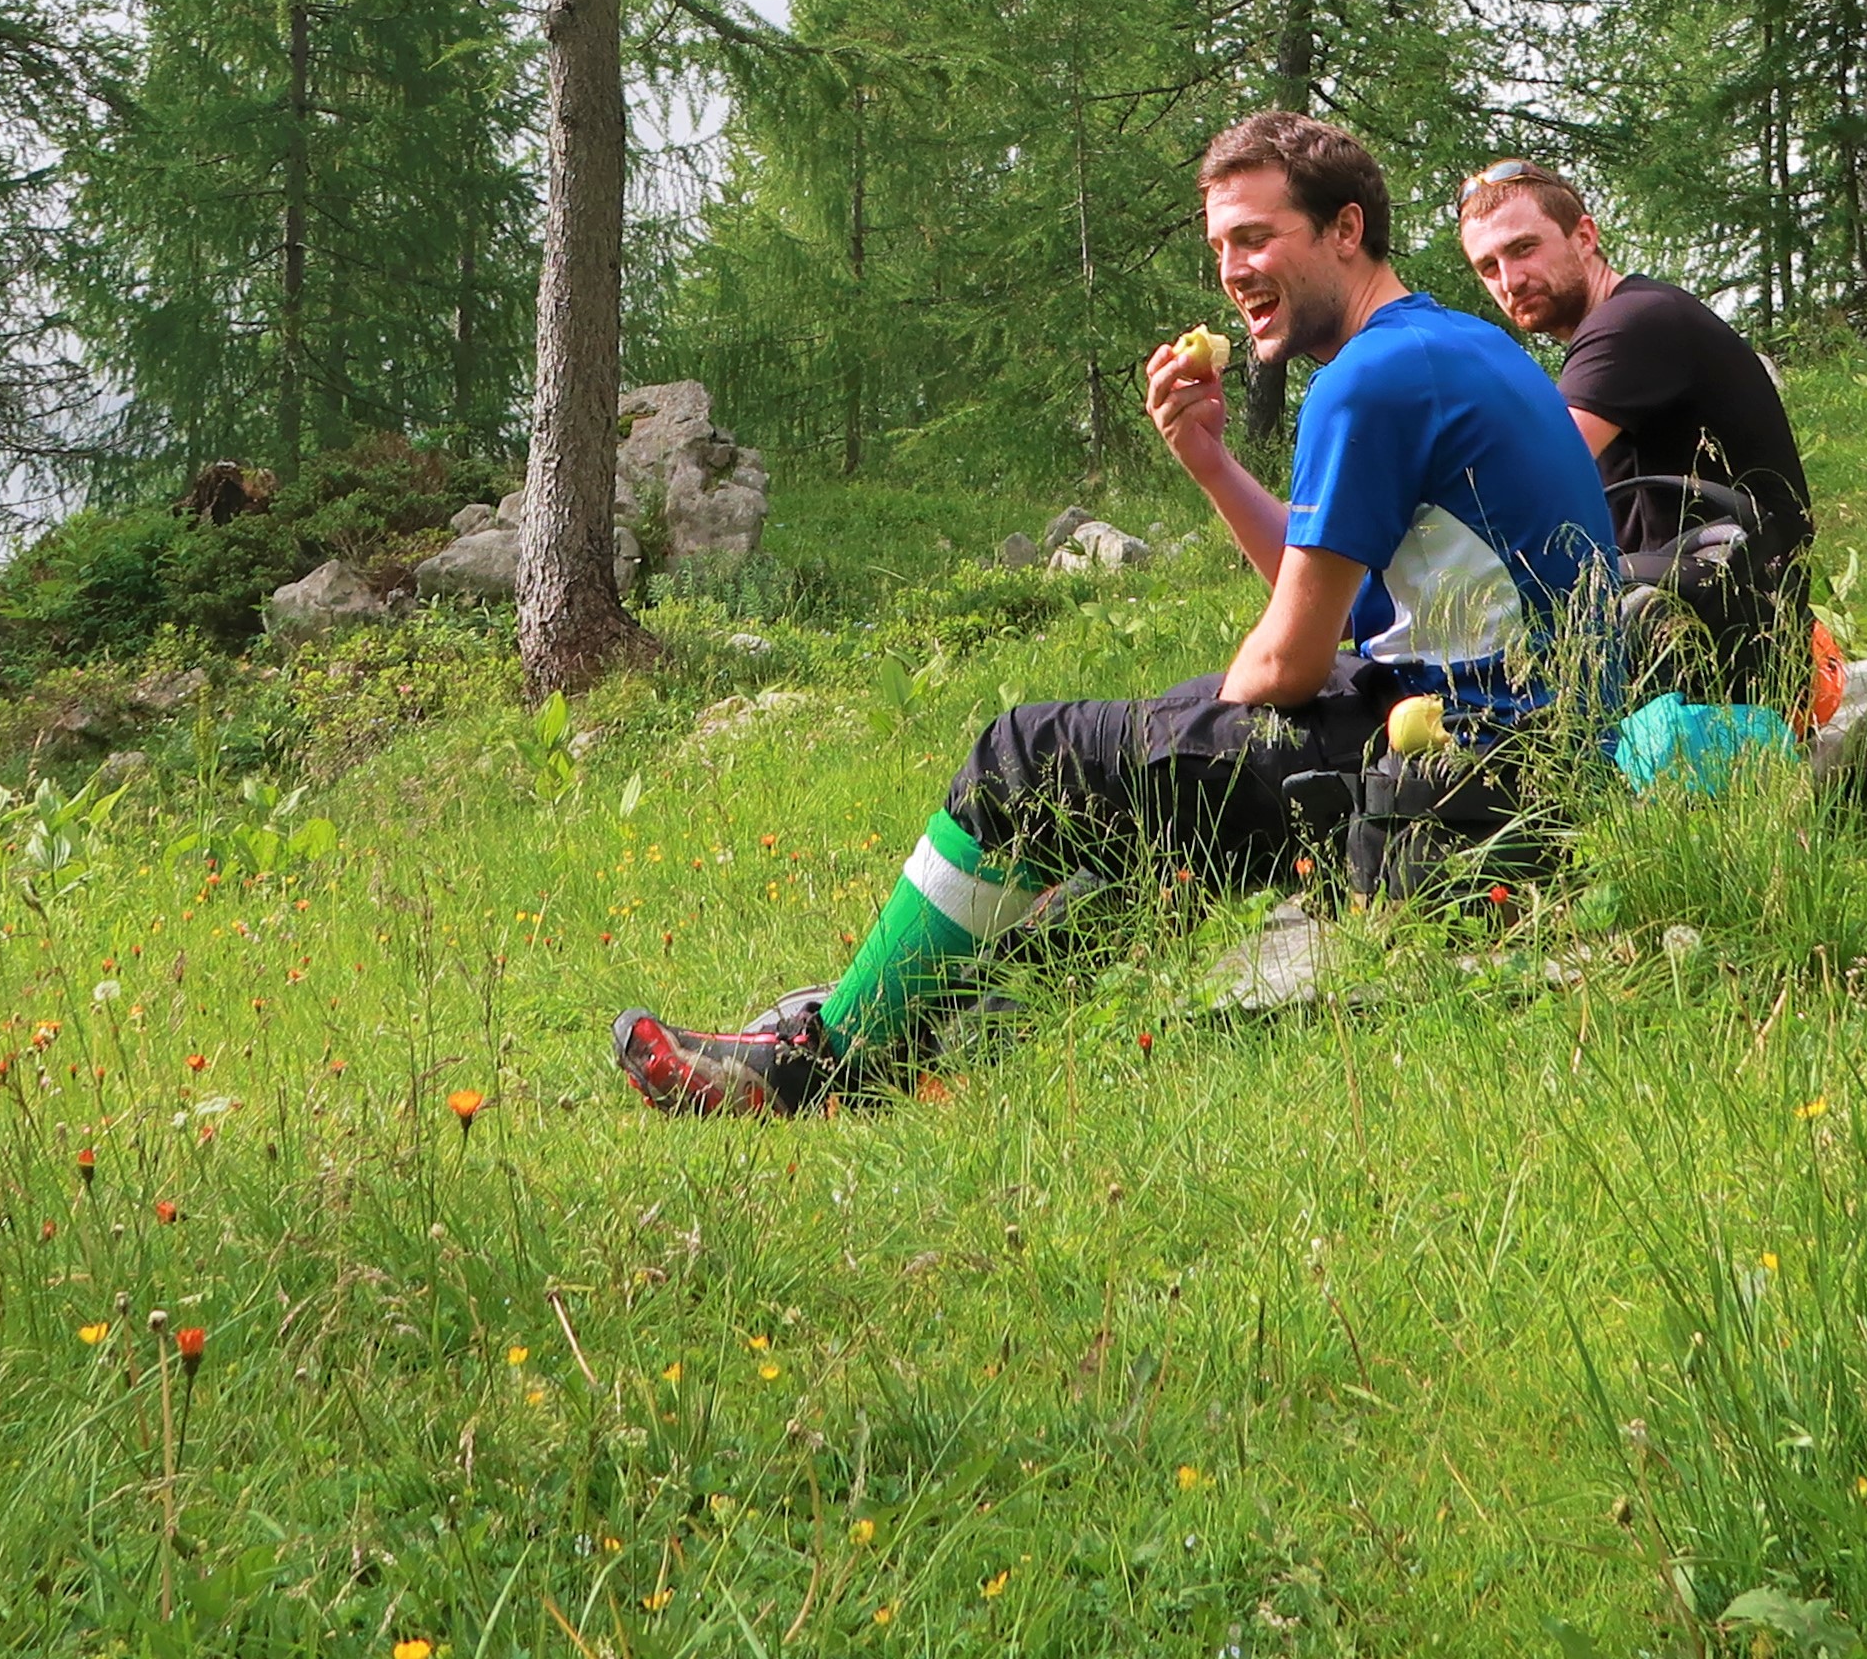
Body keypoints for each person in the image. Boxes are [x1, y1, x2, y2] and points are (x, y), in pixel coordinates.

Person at [612, 110, 1619, 1115]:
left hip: (1470, 778)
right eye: (1220, 244)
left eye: (1258, 236)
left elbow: (1292, 663)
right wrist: (1210, 461)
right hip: (1525, 748)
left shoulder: (1367, 382)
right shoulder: (1448, 347)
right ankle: (915, 1028)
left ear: (1346, 230)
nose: (1233, 268)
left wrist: (1214, 708)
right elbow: (1343, 598)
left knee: (1031, 755)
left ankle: (827, 1065)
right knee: (1146, 769)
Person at [1450, 161, 1812, 668]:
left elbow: (1526, 486)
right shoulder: (1632, 321)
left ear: (1584, 236)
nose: (1510, 280)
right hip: (1728, 627)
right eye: (1489, 267)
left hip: (1724, 650)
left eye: (1524, 248)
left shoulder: (1632, 323)